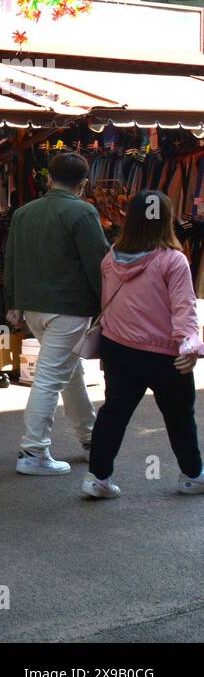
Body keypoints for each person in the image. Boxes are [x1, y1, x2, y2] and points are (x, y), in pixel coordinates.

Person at [81, 190, 204, 498]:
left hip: (117, 347)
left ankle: (97, 477)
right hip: (163, 353)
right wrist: (190, 348)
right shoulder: (173, 260)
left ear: (131, 219)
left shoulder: (112, 257)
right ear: (166, 220)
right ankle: (192, 475)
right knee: (178, 415)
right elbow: (184, 307)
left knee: (114, 412)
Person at [5, 151, 109, 476]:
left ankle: (90, 436)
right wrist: (108, 304)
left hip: (33, 306)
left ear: (49, 178)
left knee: (68, 371)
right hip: (70, 307)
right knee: (52, 377)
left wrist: (13, 301)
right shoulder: (82, 212)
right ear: (84, 183)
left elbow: (12, 260)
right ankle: (33, 450)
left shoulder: (24, 212)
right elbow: (98, 263)